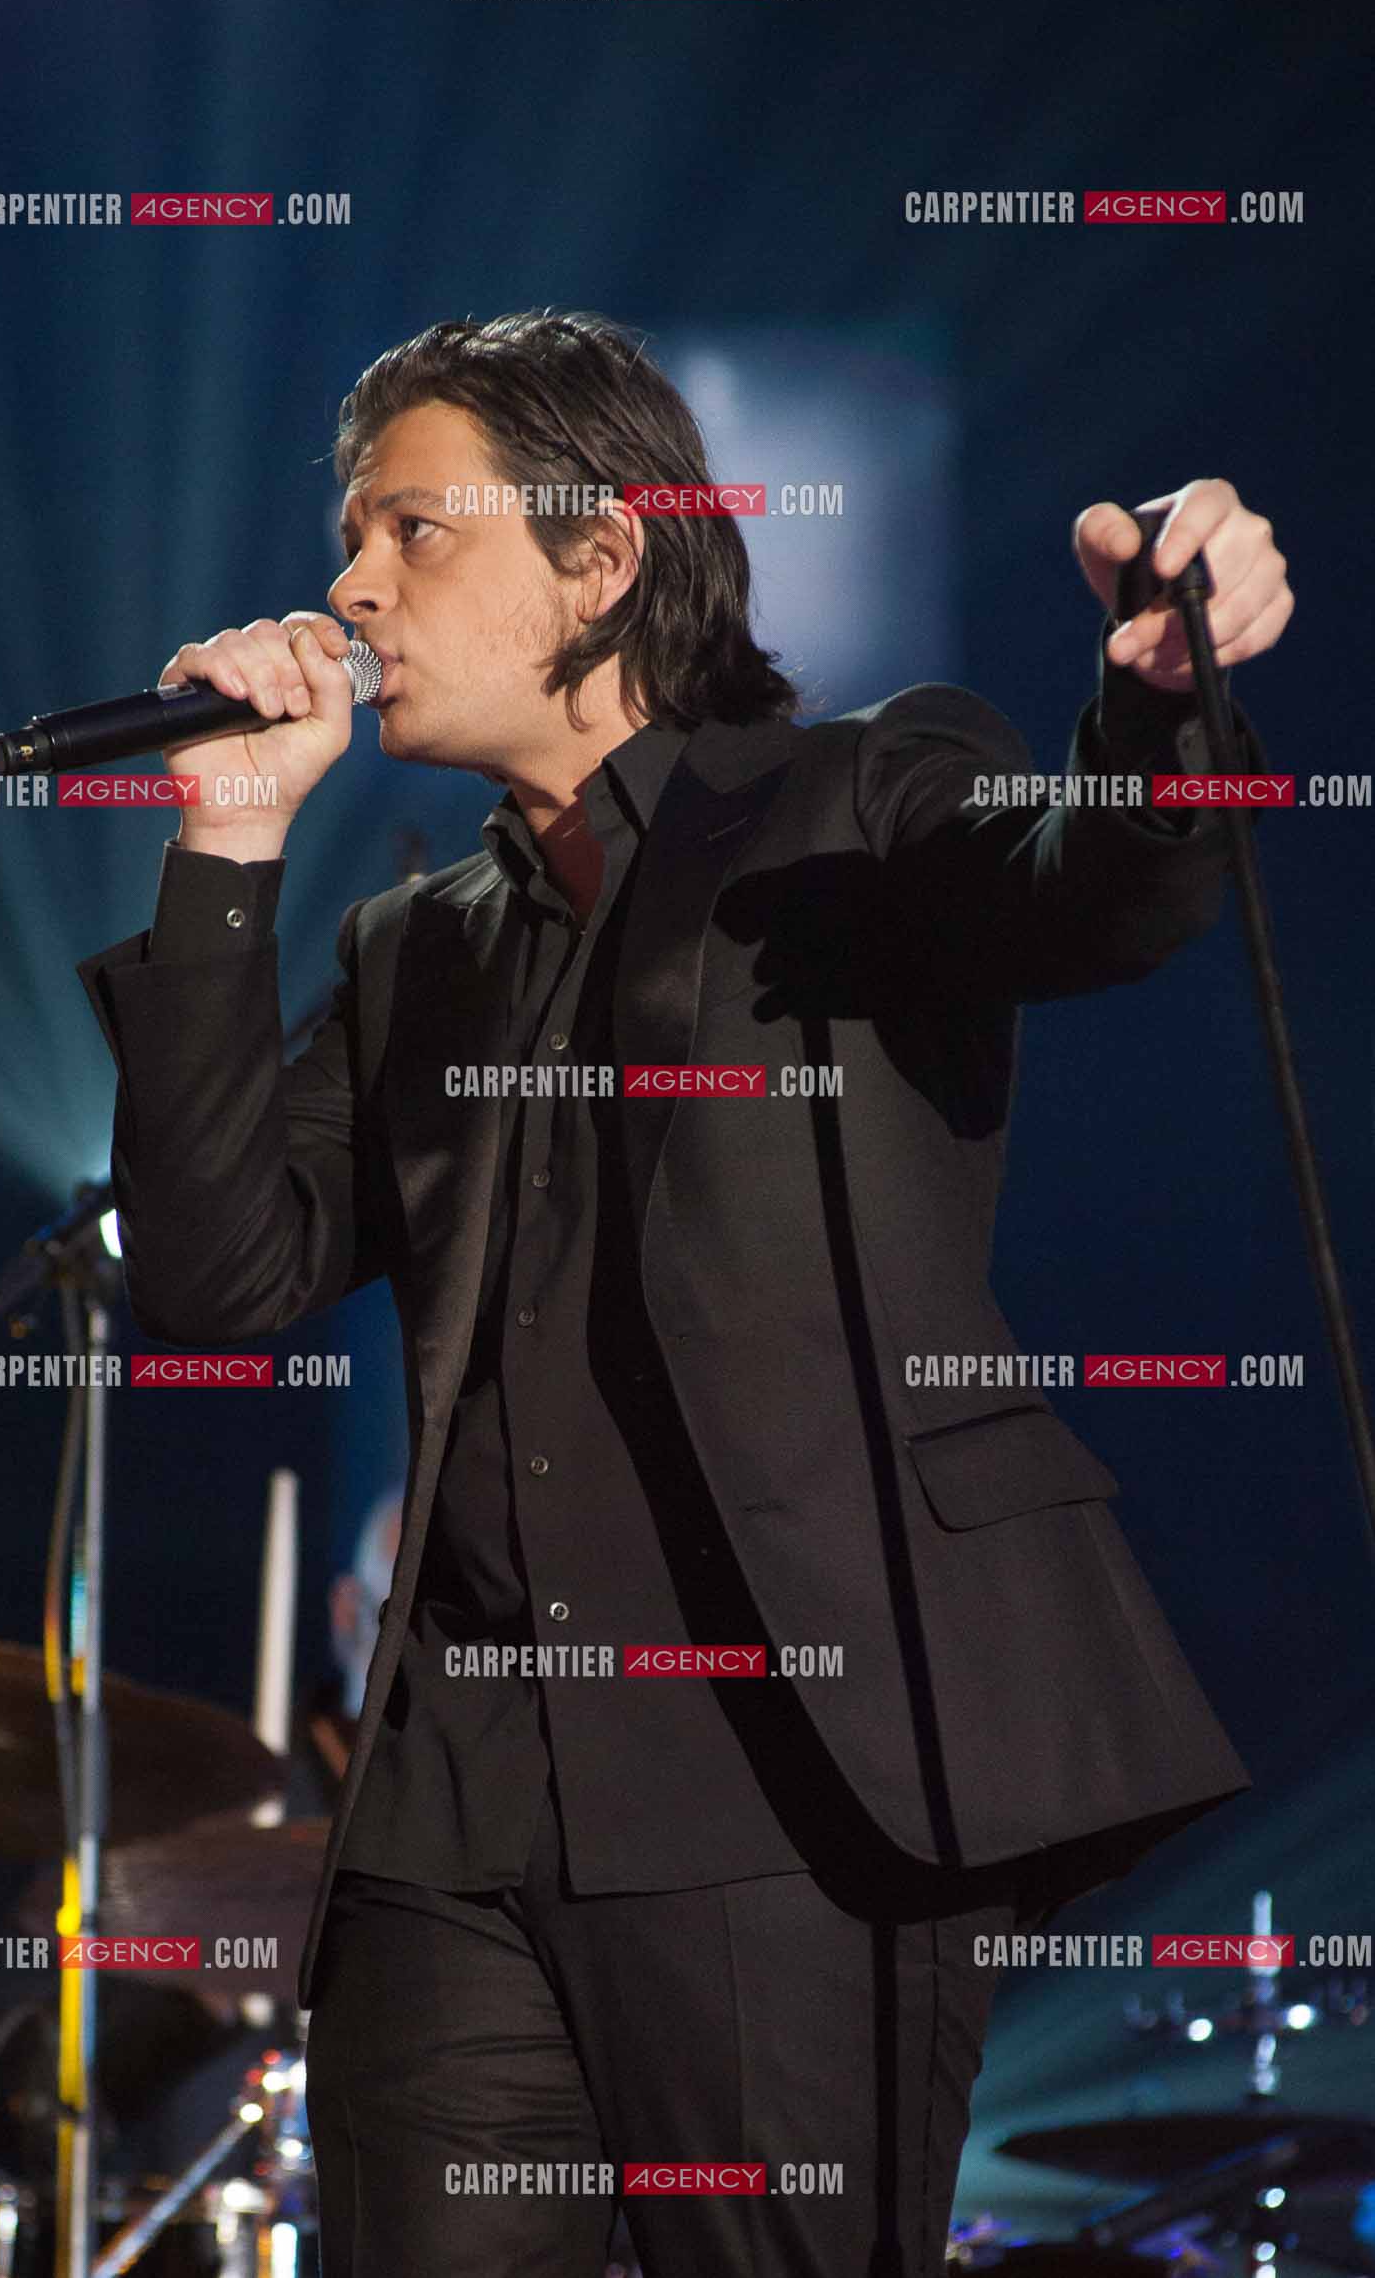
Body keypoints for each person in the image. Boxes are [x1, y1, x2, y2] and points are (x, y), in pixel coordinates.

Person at [77, 310, 1293, 2278]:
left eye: (411, 530)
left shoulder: (861, 792)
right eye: (347, 537)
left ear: (605, 554)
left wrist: (1161, 707)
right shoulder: (417, 946)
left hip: (787, 1786)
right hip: (449, 1832)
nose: (347, 584)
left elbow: (1098, 886)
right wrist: (225, 842)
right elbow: (219, 1281)